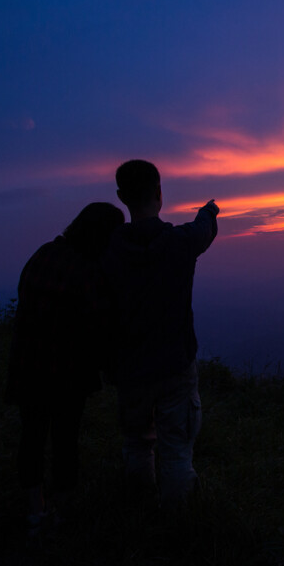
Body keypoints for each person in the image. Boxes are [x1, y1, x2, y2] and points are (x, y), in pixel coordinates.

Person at [102, 159, 218, 509]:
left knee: (137, 442)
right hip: (175, 367)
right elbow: (203, 230)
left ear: (122, 197)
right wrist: (209, 210)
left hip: (129, 368)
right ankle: (179, 524)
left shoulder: (109, 250)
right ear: (159, 192)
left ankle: (138, 507)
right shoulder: (178, 243)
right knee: (177, 450)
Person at [4, 202, 125, 534]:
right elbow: (99, 324)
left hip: (28, 365)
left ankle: (34, 511)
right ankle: (61, 515)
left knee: (31, 437)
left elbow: (25, 302)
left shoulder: (43, 254)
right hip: (67, 373)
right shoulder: (88, 271)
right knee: (64, 441)